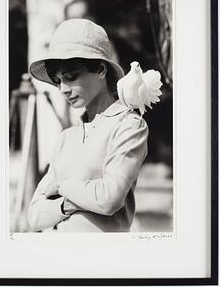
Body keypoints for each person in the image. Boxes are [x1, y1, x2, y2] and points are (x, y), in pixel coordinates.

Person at [28, 19, 148, 232]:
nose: (63, 89)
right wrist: (67, 203)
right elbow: (35, 215)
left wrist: (60, 186)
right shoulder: (66, 137)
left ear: (101, 70)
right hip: (62, 257)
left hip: (106, 258)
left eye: (71, 77)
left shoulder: (129, 125)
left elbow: (109, 199)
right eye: (57, 81)